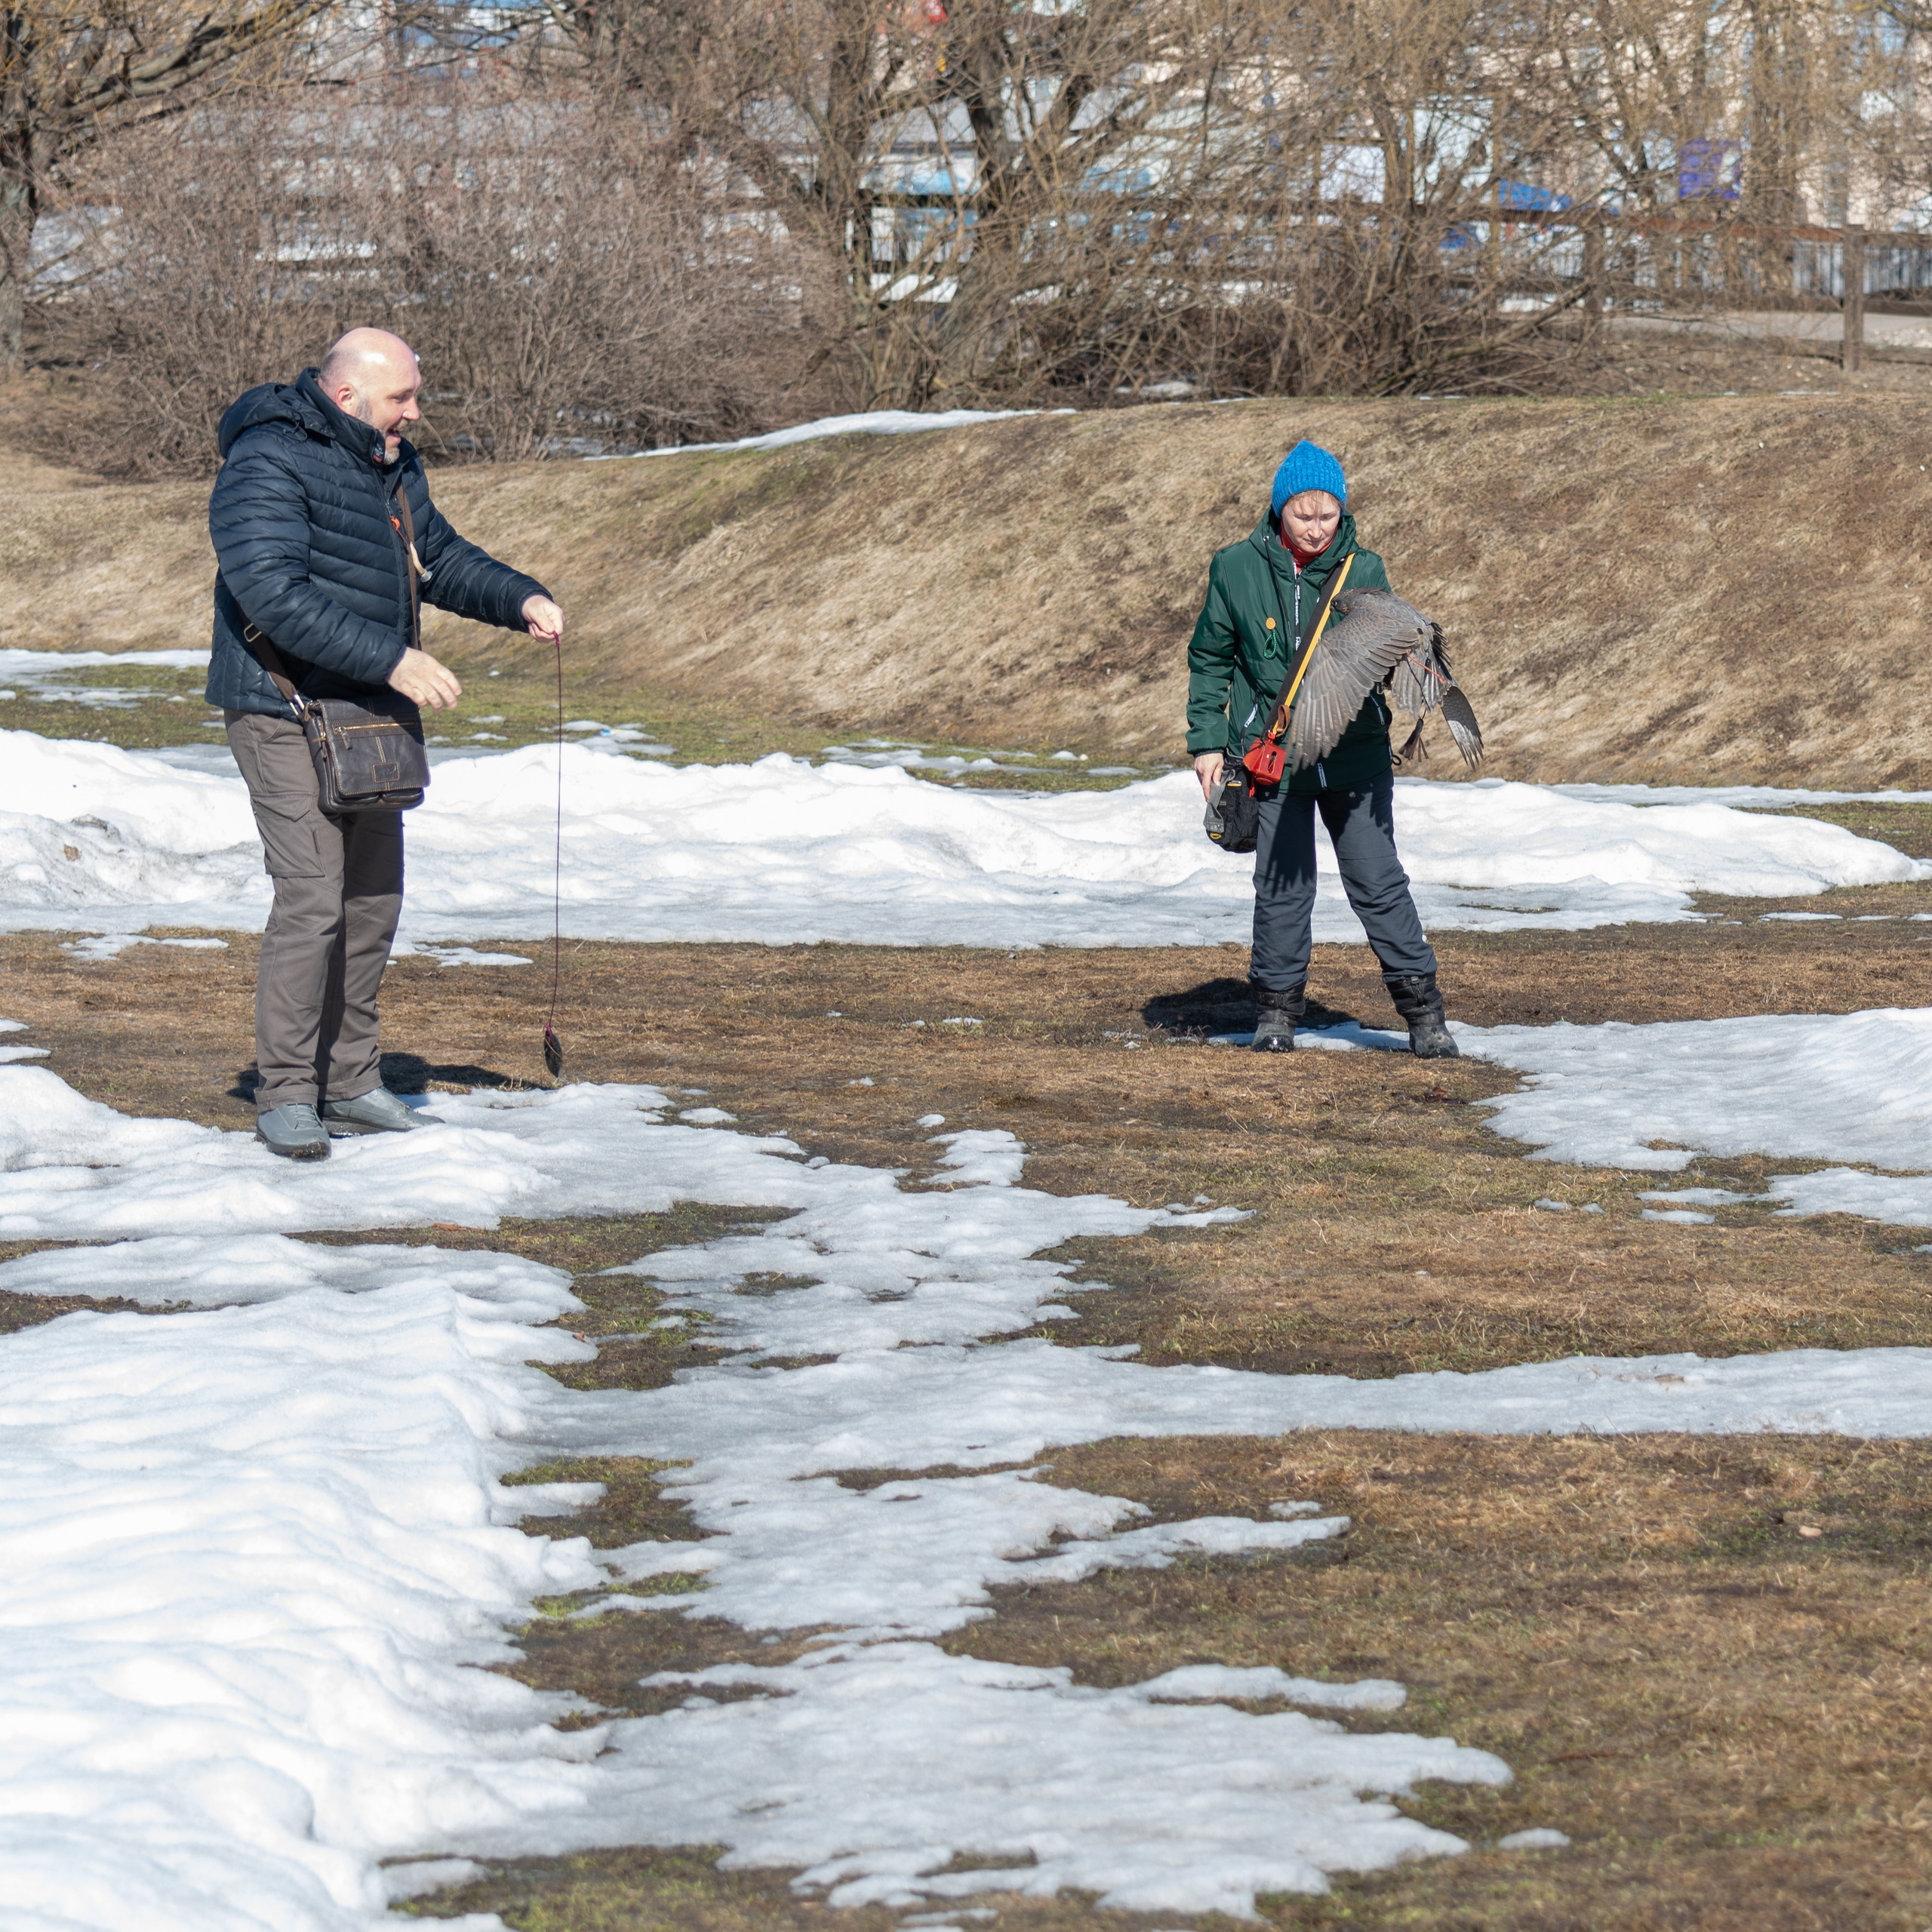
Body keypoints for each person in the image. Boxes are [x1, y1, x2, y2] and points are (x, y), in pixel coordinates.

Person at [206, 328, 565, 1159]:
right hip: (281, 706)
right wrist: (394, 657)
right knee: (312, 898)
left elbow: (436, 555)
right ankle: (288, 1093)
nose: (414, 410)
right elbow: (274, 592)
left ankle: (353, 1079)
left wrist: (519, 598)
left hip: (369, 713)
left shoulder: (392, 462)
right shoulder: (265, 461)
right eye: (401, 396)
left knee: (372, 900)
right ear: (346, 397)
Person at [1186, 439, 1457, 1059]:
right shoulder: (1235, 568)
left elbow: (1384, 650)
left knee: (1378, 882)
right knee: (1283, 886)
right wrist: (1206, 743)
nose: (1314, 528)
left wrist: (1415, 672)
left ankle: (1424, 1014)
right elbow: (1210, 659)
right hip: (1271, 755)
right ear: (1280, 508)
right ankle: (1276, 1014)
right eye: (1302, 514)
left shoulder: (1365, 569)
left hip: (1352, 753)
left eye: (1327, 515)